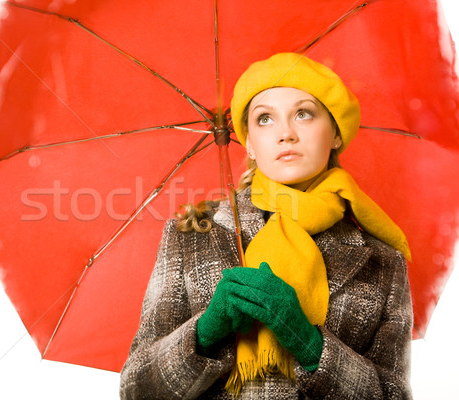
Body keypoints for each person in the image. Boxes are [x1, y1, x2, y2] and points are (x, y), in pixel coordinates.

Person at [119, 53, 413, 399]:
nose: (286, 133)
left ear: (335, 132)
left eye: (303, 114)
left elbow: (393, 394)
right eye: (264, 120)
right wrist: (205, 332)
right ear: (250, 145)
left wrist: (308, 342)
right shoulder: (194, 234)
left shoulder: (381, 261)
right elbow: (136, 389)